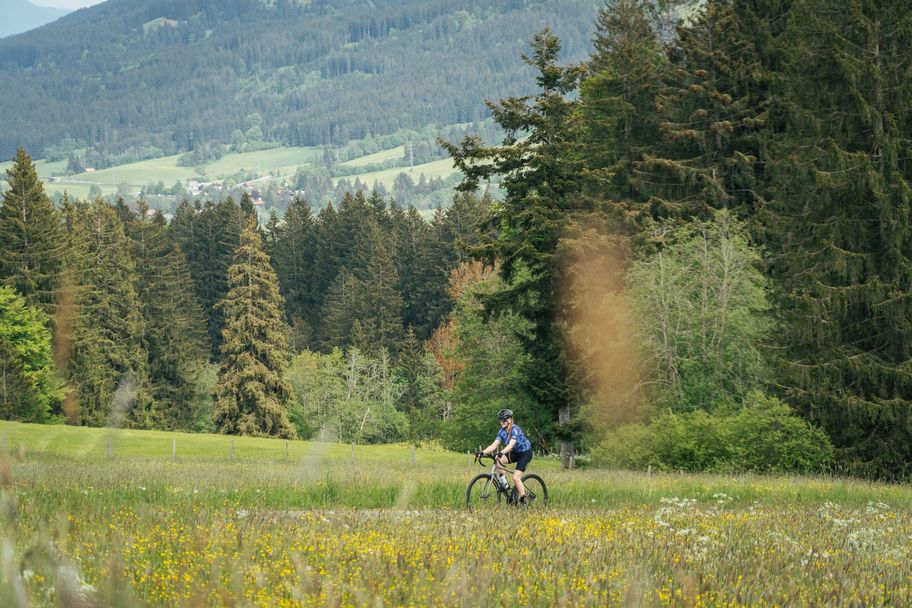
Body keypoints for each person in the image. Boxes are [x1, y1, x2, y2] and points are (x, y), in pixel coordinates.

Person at [479, 408, 533, 505]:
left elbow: (511, 444)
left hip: (525, 453)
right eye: (500, 420)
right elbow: (494, 445)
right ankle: (505, 485)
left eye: (504, 420)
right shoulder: (501, 432)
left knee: (516, 477)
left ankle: (523, 499)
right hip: (515, 453)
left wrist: (502, 452)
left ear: (510, 419)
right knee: (497, 459)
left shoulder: (515, 429)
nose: (502, 422)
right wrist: (482, 452)